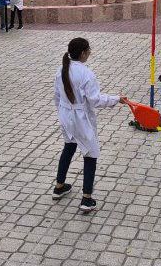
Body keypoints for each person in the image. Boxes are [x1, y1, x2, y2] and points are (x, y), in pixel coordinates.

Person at [52, 37, 128, 213]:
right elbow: (95, 100)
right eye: (89, 50)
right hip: (81, 118)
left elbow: (56, 96)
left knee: (68, 148)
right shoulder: (86, 74)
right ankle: (87, 198)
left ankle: (59, 186)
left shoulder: (61, 69)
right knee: (91, 154)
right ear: (83, 53)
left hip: (65, 114)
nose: (90, 53)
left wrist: (63, 112)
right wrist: (117, 99)